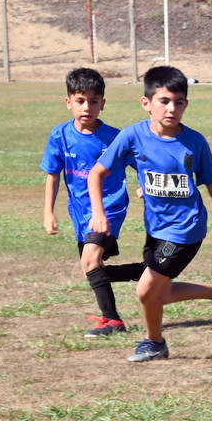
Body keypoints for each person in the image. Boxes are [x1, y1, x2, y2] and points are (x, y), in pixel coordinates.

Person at [89, 66, 212, 363]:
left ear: (186, 105)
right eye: (164, 101)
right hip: (156, 227)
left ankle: (154, 342)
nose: (171, 108)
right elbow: (96, 174)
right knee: (160, 295)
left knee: (145, 290)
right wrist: (99, 214)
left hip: (185, 229)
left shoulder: (195, 142)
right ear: (146, 103)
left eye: (179, 102)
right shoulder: (132, 136)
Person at [41, 67, 143, 337]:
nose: (87, 107)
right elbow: (53, 175)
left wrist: (144, 186)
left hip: (110, 207)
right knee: (92, 268)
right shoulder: (59, 136)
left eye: (94, 101)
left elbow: (139, 164)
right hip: (80, 211)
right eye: (80, 100)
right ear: (68, 102)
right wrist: (48, 213)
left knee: (90, 261)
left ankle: (113, 321)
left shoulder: (115, 138)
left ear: (103, 104)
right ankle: (147, 271)